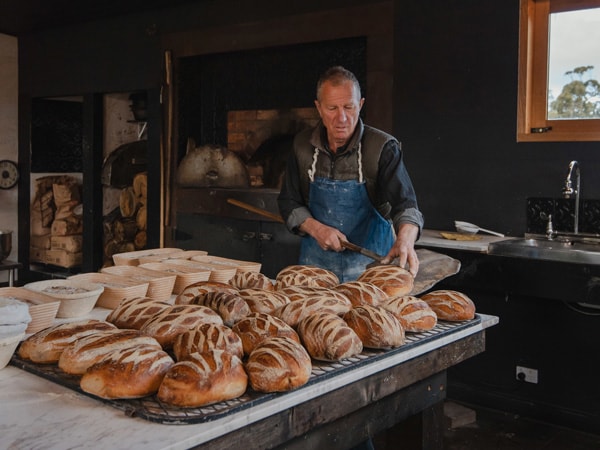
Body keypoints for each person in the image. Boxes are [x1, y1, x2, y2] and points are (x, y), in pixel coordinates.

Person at [278, 66, 424, 282]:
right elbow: (288, 201)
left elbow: (407, 206)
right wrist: (316, 229)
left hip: (372, 273)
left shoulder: (382, 148)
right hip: (315, 273)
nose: (342, 118)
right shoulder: (302, 146)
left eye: (349, 107)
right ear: (318, 108)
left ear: (360, 104)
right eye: (332, 108)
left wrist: (405, 240)